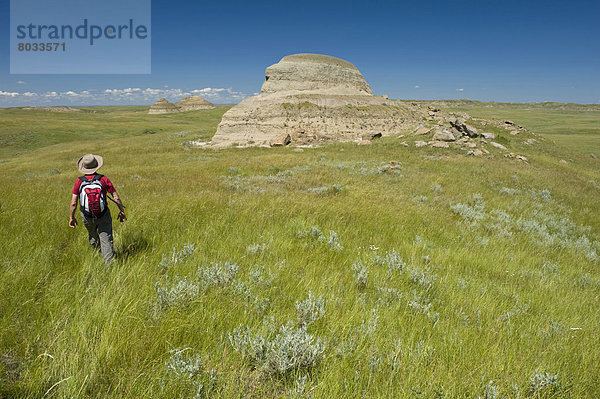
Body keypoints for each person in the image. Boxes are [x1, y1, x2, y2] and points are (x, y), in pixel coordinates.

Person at [69, 154, 126, 265]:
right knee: (106, 240)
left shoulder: (79, 182)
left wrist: (72, 217)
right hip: (103, 214)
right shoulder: (104, 179)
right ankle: (108, 267)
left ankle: (96, 255)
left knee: (92, 235)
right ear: (96, 166)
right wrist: (121, 211)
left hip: (87, 215)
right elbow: (116, 197)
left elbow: (73, 203)